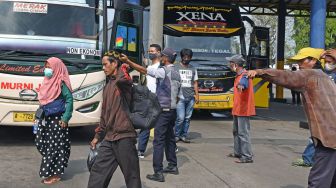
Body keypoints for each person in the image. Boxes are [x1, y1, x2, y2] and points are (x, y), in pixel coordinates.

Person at [247, 47, 336, 188]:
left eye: (302, 60)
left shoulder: (309, 75)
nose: (299, 64)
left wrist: (260, 72)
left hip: (329, 139)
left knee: (319, 181)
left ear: (313, 61)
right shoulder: (326, 78)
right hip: (332, 137)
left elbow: (285, 76)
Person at [120, 48, 181, 182]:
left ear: (165, 58)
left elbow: (144, 70)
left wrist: (128, 61)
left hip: (163, 111)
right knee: (169, 138)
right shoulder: (177, 72)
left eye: (161, 56)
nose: (160, 58)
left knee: (158, 141)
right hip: (172, 111)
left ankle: (158, 172)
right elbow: (178, 96)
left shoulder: (164, 71)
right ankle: (172, 165)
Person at [88, 51, 141, 188]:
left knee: (132, 176)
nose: (103, 68)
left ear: (114, 64)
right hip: (109, 138)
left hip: (125, 137)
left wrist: (125, 65)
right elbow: (104, 115)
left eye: (105, 65)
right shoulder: (108, 87)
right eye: (102, 65)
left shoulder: (122, 84)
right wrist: (97, 136)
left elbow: (124, 79)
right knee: (97, 173)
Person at [293, 48, 336, 167]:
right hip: (322, 113)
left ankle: (310, 159)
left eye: (331, 59)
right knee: (316, 137)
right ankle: (309, 158)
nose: (328, 61)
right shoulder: (322, 73)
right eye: (326, 59)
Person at [35, 57, 73, 184]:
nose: (47, 69)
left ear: (57, 68)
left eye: (50, 67)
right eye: (46, 66)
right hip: (46, 120)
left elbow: (69, 100)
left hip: (58, 121)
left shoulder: (61, 83)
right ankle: (51, 172)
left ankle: (54, 175)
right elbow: (43, 102)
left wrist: (65, 118)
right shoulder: (47, 81)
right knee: (42, 144)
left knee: (55, 148)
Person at [226, 54, 255, 163]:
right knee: (236, 132)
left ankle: (247, 156)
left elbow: (244, 83)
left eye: (231, 63)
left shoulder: (244, 75)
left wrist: (241, 86)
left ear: (236, 65)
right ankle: (238, 152)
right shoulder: (238, 75)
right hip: (237, 108)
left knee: (243, 133)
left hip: (243, 109)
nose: (229, 65)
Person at [137, 44, 162, 159]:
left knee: (162, 126)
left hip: (159, 99)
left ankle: (172, 145)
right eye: (149, 51)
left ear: (158, 52)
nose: (150, 53)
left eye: (152, 51)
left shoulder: (161, 67)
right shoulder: (148, 66)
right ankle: (141, 150)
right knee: (146, 125)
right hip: (148, 99)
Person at [174, 48, 199, 143]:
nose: (186, 58)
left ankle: (183, 135)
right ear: (181, 57)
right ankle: (176, 135)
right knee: (180, 118)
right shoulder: (175, 67)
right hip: (179, 97)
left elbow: (195, 83)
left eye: (188, 57)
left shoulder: (193, 68)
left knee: (187, 118)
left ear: (191, 58)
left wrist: (197, 95)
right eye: (184, 56)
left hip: (191, 97)